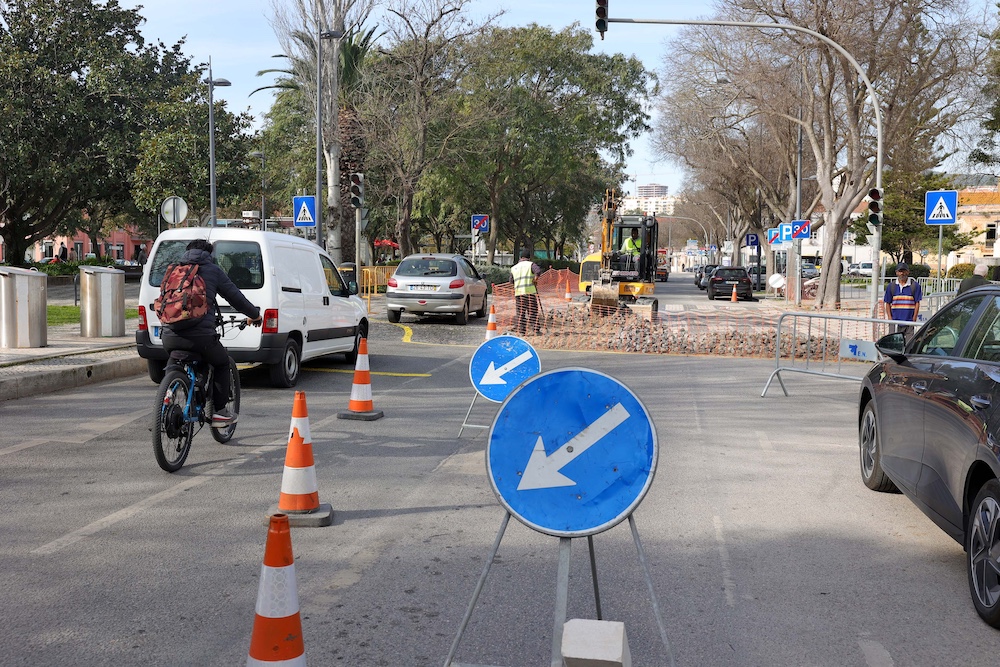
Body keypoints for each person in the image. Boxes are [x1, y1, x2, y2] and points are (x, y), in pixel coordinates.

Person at [160, 239, 263, 426]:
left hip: (169, 334)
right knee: (222, 362)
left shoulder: (174, 270)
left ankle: (162, 405)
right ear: (209, 254)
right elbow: (235, 298)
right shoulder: (212, 271)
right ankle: (220, 413)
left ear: (187, 252)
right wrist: (255, 315)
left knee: (173, 363)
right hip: (200, 337)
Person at [881, 262, 922, 338]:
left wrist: (914, 318)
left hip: (909, 322)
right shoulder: (891, 286)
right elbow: (887, 303)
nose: (902, 273)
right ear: (896, 272)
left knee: (909, 345)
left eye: (904, 271)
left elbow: (917, 303)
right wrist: (890, 319)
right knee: (894, 344)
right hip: (895, 321)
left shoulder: (915, 286)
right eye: (900, 271)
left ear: (908, 272)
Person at [511, 249, 541, 335]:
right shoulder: (531, 264)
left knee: (520, 313)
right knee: (532, 311)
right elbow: (538, 271)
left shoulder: (514, 268)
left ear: (520, 257)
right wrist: (535, 279)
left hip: (519, 294)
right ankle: (536, 330)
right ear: (529, 257)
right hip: (530, 293)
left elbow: (511, 280)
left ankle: (521, 331)